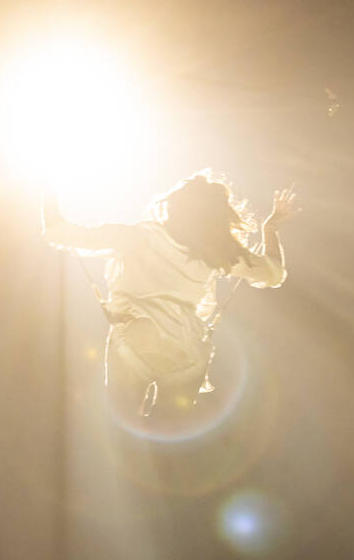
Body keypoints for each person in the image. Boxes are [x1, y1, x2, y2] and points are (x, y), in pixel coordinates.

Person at [43, 173, 300, 420]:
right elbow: (274, 274)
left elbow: (58, 231)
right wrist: (270, 227)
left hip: (134, 340)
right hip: (187, 354)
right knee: (165, 444)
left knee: (123, 427)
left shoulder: (136, 236)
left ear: (173, 207)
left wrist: (46, 190)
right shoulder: (216, 252)